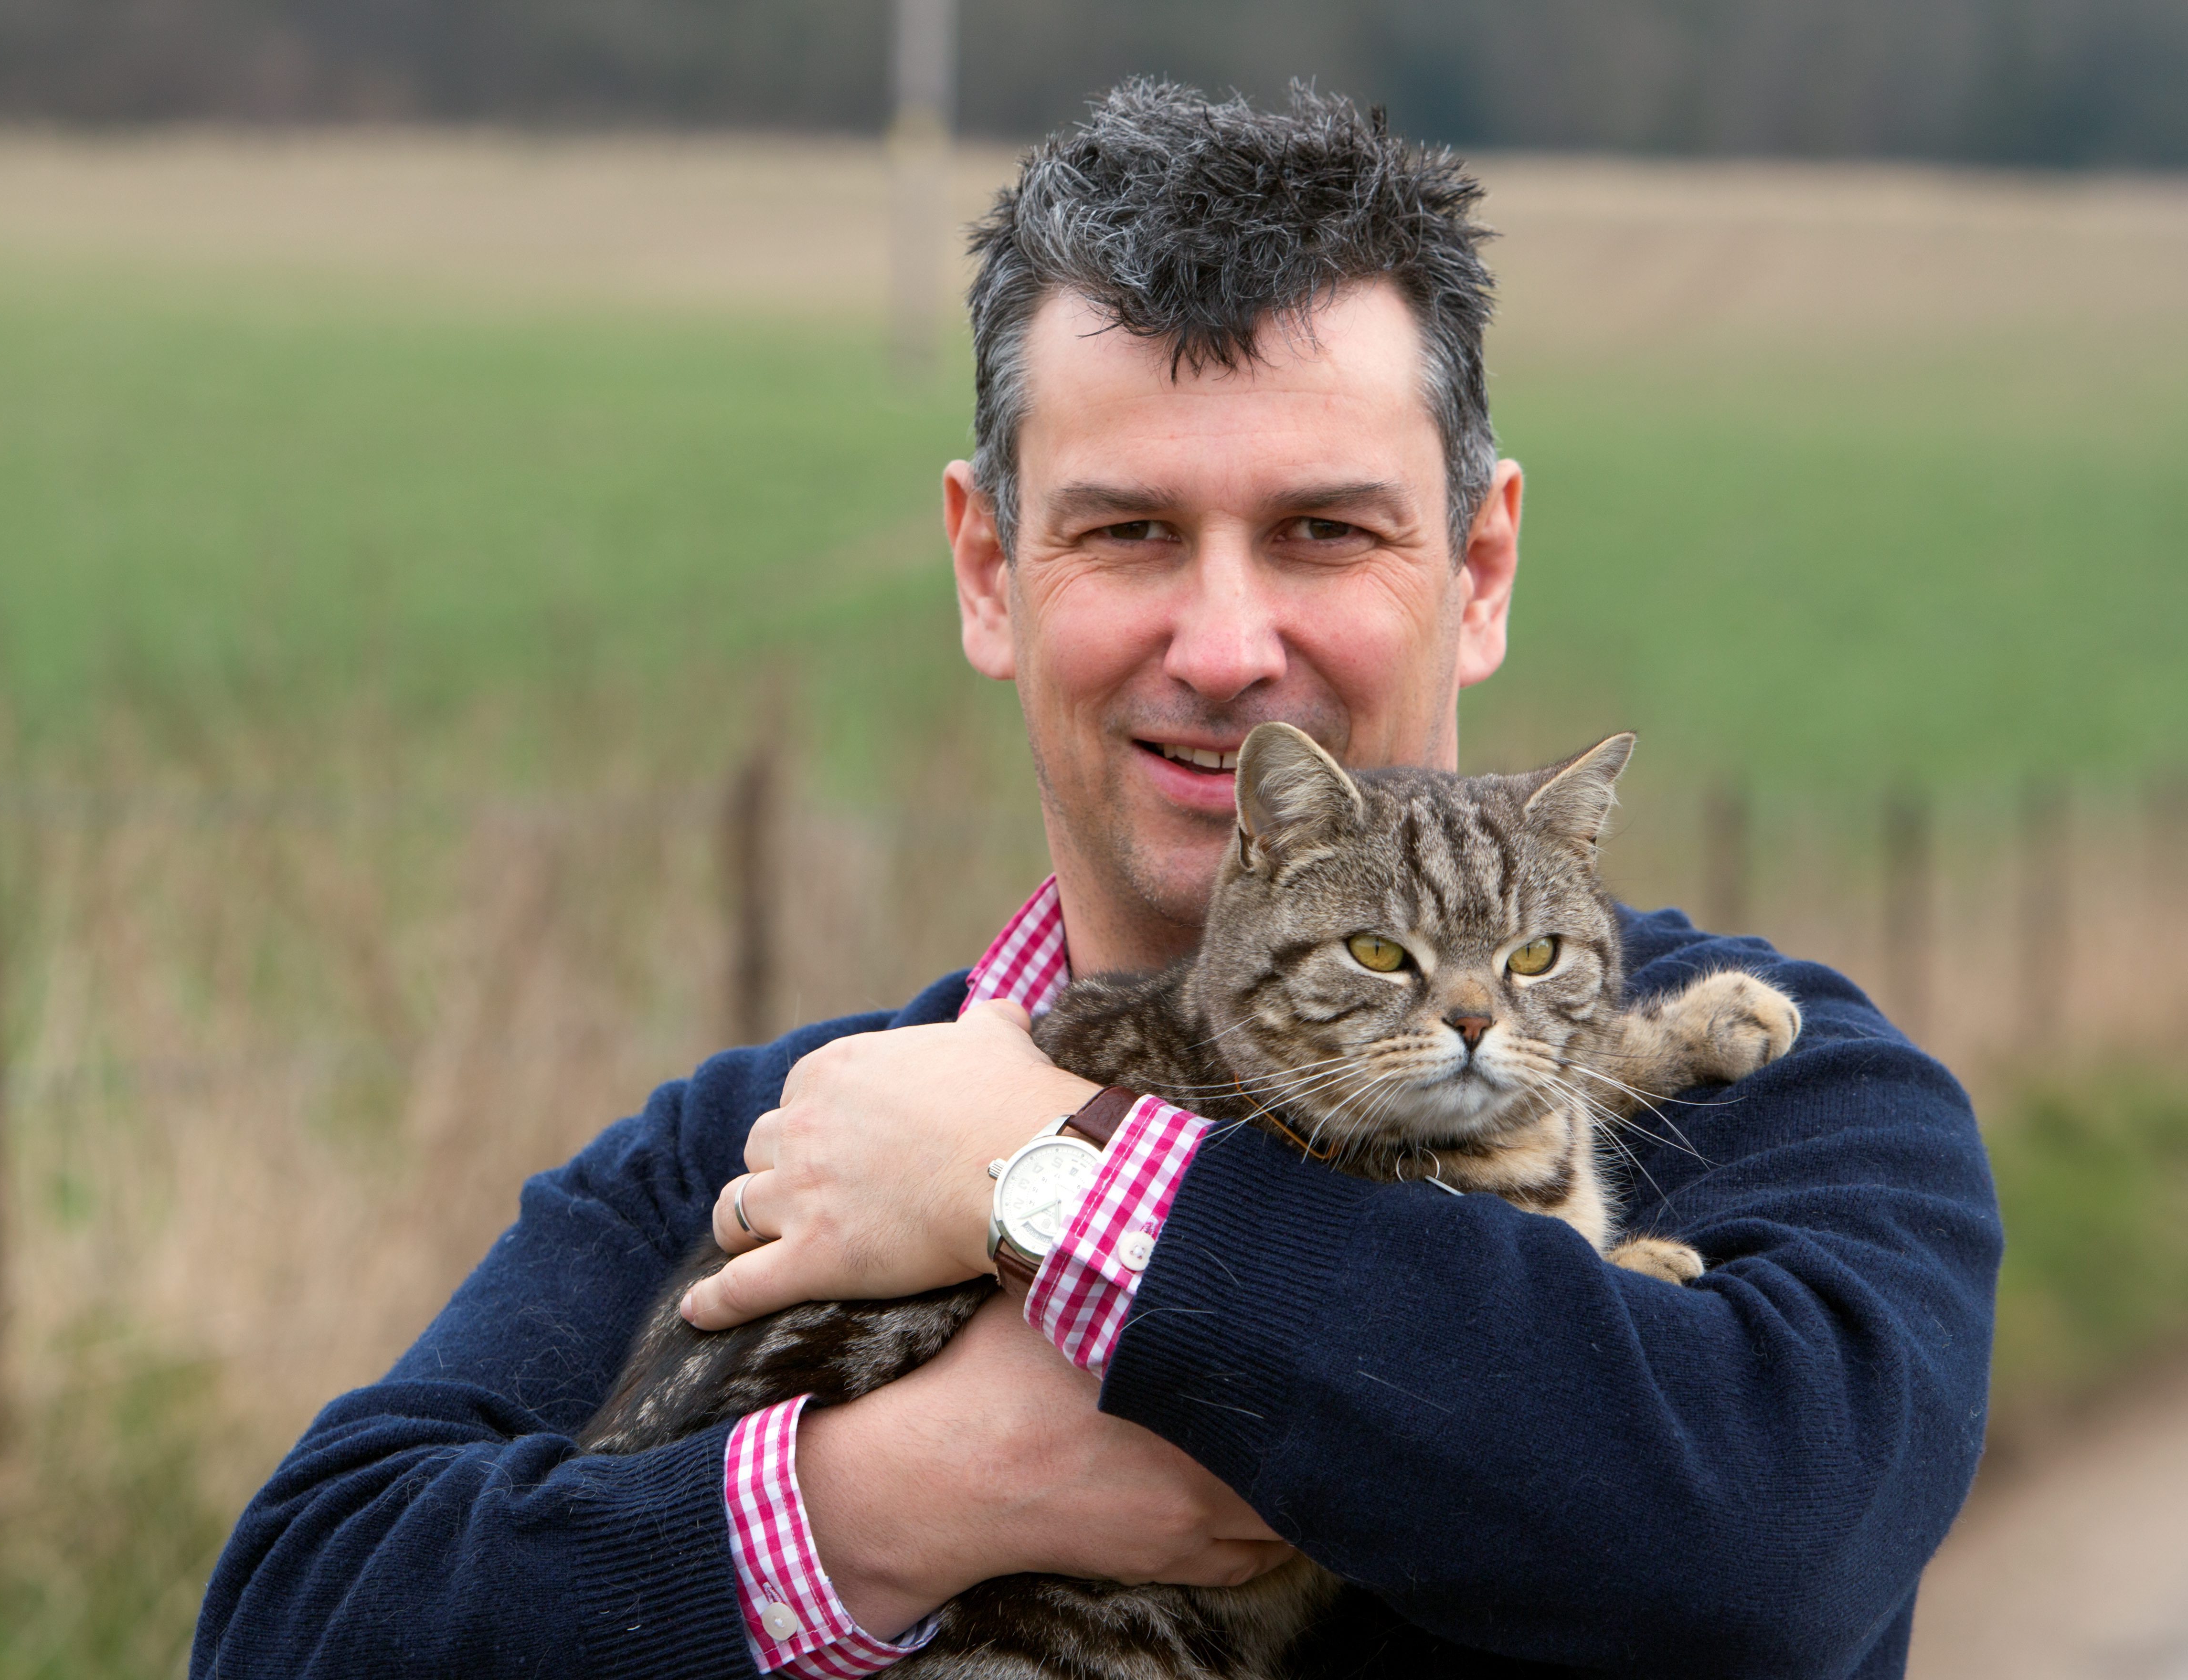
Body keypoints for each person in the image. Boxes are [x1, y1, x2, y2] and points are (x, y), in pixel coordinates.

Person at [192, 80, 1999, 1679]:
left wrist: (1041, 1183)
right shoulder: (768, 1144)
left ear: (1484, 563)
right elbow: (297, 1621)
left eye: (1325, 531)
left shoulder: (1788, 1097)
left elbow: (1765, 1545)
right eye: (1130, 531)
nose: (1225, 647)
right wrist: (883, 1504)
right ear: (990, 571)